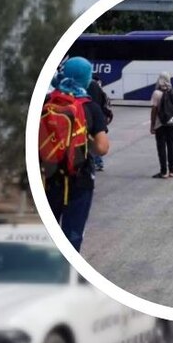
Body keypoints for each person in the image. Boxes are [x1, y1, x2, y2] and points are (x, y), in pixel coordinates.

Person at [42, 57, 110, 251]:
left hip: (48, 177)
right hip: (79, 180)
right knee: (72, 234)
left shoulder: (47, 101)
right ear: (86, 78)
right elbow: (102, 148)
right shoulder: (90, 107)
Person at [150, 73, 173, 179]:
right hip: (171, 124)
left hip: (160, 125)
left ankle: (164, 172)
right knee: (171, 147)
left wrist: (152, 125)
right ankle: (172, 171)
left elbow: (154, 110)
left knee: (161, 148)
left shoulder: (156, 93)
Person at [87, 75, 113, 172]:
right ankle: (99, 162)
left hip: (90, 116)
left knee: (91, 140)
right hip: (99, 117)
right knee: (98, 139)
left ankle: (94, 162)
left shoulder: (88, 87)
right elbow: (104, 103)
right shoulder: (99, 88)